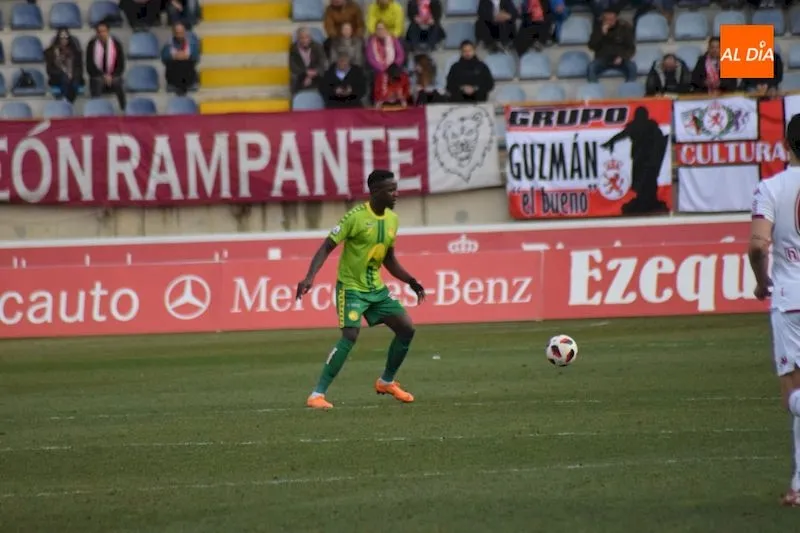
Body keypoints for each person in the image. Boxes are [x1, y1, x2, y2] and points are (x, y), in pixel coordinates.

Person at [296, 170, 426, 410]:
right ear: (376, 192)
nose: (396, 194)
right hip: (351, 288)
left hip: (376, 289)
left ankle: (386, 381)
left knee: (406, 328)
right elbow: (327, 246)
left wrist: (410, 280)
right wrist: (309, 277)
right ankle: (317, 394)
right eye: (391, 190)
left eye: (396, 188)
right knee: (350, 335)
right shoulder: (354, 217)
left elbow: (389, 259)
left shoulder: (392, 220)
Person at [749, 114, 800, 507]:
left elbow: (757, 244)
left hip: (790, 298)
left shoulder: (770, 187)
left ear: (786, 146)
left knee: (794, 398)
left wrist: (761, 278)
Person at [586, 8, 636, 83]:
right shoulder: (598, 28)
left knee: (632, 67)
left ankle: (629, 89)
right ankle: (594, 90)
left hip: (620, 58)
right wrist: (601, 34)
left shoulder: (624, 28)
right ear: (603, 19)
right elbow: (592, 46)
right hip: (602, 57)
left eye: (612, 19)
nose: (609, 22)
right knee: (591, 67)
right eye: (607, 19)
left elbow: (631, 48)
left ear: (616, 18)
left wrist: (622, 56)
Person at [86, 20, 127, 111]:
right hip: (98, 76)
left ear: (108, 31)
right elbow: (90, 66)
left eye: (104, 31)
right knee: (97, 81)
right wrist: (103, 76)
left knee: (118, 81)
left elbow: (121, 65)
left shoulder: (116, 44)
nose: (101, 34)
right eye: (99, 32)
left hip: (113, 75)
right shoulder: (91, 45)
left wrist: (111, 76)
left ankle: (124, 109)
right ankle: (96, 110)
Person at [44, 28, 84, 103]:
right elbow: (50, 70)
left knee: (74, 81)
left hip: (73, 77)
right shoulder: (51, 52)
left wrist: (72, 75)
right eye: (62, 38)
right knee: (65, 79)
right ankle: (67, 103)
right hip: (57, 77)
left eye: (66, 38)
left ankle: (67, 102)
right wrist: (64, 73)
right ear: (58, 39)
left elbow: (79, 69)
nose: (64, 40)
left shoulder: (75, 52)